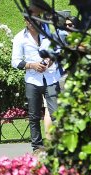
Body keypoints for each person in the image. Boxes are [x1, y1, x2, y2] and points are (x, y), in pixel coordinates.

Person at [11, 13, 61, 155]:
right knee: (34, 115)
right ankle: (37, 147)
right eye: (29, 20)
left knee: (56, 113)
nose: (32, 22)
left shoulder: (49, 33)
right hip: (32, 80)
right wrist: (32, 65)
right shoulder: (20, 37)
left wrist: (49, 61)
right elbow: (15, 61)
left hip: (51, 77)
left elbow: (57, 51)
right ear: (25, 21)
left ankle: (59, 145)